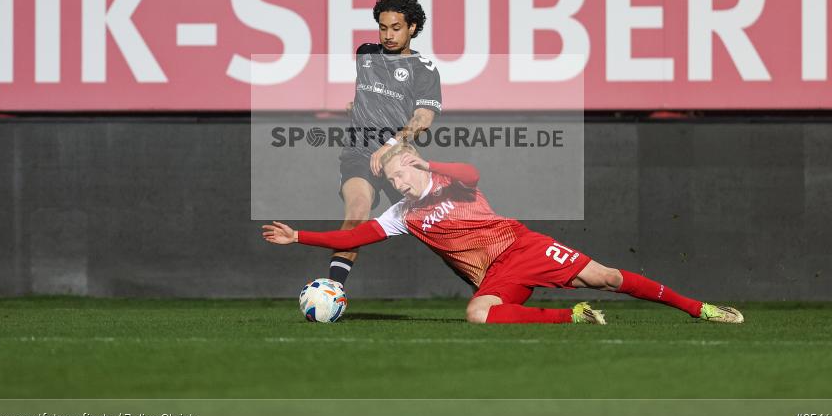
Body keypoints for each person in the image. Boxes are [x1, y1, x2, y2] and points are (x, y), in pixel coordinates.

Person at [265, 143, 744, 325]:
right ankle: (573, 318)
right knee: (478, 314)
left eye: (399, 175)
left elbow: (472, 170)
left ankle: (698, 308)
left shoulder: (445, 179)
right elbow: (353, 239)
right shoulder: (402, 213)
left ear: (413, 165)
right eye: (391, 180)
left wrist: (424, 162)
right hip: (495, 273)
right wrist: (299, 237)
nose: (396, 183)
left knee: (607, 277)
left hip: (522, 247)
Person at [330, 0, 442, 287]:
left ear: (412, 28)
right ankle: (332, 289)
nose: (388, 35)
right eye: (383, 27)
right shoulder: (365, 53)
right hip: (358, 151)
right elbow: (371, 93)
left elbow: (423, 118)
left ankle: (489, 283)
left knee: (441, 228)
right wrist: (357, 108)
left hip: (398, 158)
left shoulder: (425, 69)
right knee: (358, 209)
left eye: (396, 27)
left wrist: (392, 144)